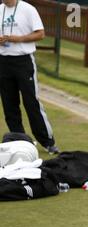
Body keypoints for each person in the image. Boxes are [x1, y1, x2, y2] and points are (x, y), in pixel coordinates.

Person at [0, 0, 59, 154]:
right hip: (3, 61)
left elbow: (40, 34)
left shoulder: (28, 9)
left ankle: (47, 141)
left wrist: (17, 39)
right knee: (9, 103)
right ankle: (20, 141)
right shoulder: (0, 9)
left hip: (23, 61)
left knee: (31, 102)